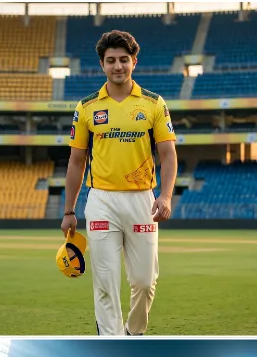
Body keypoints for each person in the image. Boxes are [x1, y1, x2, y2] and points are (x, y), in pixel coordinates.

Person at [63, 30, 176, 337]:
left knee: (143, 281)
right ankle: (110, 337)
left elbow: (168, 154)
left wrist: (165, 196)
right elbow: (76, 162)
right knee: (105, 280)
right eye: (110, 60)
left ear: (134, 62)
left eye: (123, 60)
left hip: (142, 200)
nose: (117, 66)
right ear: (102, 64)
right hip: (101, 201)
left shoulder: (153, 104)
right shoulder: (86, 108)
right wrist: (69, 211)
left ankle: (133, 332)